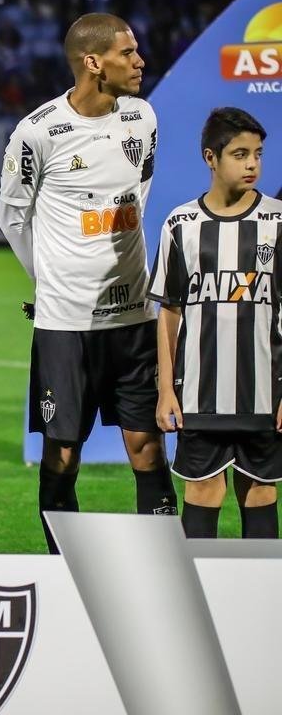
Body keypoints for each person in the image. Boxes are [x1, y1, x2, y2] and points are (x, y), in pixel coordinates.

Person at [0, 12, 177, 553]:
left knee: (147, 447)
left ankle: (162, 564)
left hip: (133, 317)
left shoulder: (142, 117)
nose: (140, 61)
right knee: (63, 453)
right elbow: (12, 218)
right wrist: (50, 278)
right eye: (128, 52)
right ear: (94, 62)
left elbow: (140, 189)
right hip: (65, 325)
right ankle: (64, 568)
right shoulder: (37, 132)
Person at [150, 107, 280, 539]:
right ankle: (199, 584)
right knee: (203, 492)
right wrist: (166, 390)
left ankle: (261, 586)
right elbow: (169, 313)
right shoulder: (181, 224)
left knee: (260, 493)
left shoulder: (277, 222)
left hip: (264, 396)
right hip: (199, 396)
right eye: (240, 154)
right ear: (211, 157)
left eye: (258, 154)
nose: (252, 164)